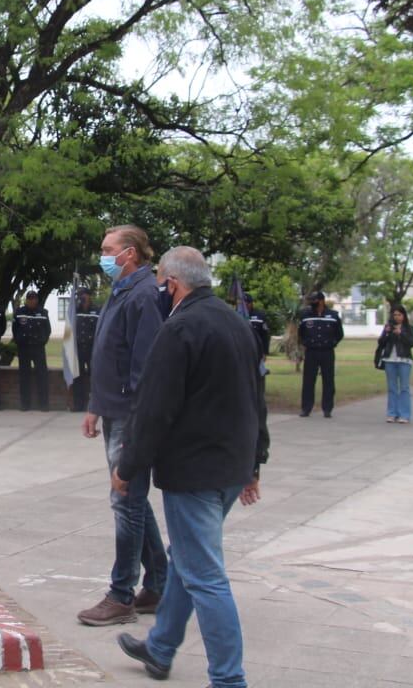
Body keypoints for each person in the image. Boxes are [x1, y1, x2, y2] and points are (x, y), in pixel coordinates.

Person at [113, 246, 269, 688]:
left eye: (162, 282)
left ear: (173, 284)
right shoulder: (237, 323)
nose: (160, 289)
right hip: (229, 466)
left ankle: (228, 679)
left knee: (205, 576)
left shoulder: (179, 327)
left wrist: (128, 467)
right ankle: (160, 647)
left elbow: (154, 409)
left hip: (196, 471)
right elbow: (256, 400)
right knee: (187, 559)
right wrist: (255, 462)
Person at [77, 225, 168, 627]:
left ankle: (121, 594)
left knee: (125, 498)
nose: (103, 256)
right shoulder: (124, 290)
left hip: (131, 415)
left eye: (107, 250)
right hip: (113, 409)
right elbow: (109, 353)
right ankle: (161, 584)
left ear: (129, 253)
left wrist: (134, 425)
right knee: (130, 499)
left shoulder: (145, 295)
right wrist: (96, 404)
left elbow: (145, 366)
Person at [297, 290, 343, 418]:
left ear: (322, 301)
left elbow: (339, 334)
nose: (312, 303)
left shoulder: (333, 315)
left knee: (328, 380)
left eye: (315, 301)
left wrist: (332, 343)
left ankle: (327, 409)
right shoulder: (305, 315)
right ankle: (306, 408)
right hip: (311, 352)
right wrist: (306, 343)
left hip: (327, 351)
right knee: (308, 381)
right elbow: (301, 333)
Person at [374, 304, 413, 423]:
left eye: (399, 314)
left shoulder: (409, 328)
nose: (397, 317)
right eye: (395, 315)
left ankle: (404, 414)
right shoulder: (388, 327)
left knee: (404, 388)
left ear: (404, 316)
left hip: (404, 360)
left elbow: (411, 343)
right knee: (392, 388)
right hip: (390, 360)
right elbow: (381, 342)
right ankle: (392, 413)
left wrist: (401, 333)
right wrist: (387, 333)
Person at [11, 290, 52, 411]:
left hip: (38, 348)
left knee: (42, 376)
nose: (32, 301)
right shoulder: (19, 312)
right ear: (26, 300)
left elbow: (47, 330)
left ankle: (44, 404)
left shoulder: (43, 313)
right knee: (24, 376)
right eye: (29, 299)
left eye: (34, 298)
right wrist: (19, 342)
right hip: (24, 348)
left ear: (37, 300)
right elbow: (15, 330)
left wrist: (42, 341)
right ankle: (25, 404)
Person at [71, 287, 99, 413]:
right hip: (78, 348)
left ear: (89, 296)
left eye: (84, 296)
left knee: (94, 377)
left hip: (93, 348)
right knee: (78, 377)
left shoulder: (97, 310)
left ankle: (95, 405)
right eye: (80, 296)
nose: (82, 298)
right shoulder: (74, 310)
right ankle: (79, 404)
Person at [244, 293, 270, 402]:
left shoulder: (260, 316)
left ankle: (259, 397)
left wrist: (265, 352)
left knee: (259, 375)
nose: (244, 305)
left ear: (250, 303)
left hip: (257, 351)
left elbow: (265, 335)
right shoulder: (236, 314)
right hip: (243, 351)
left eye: (246, 303)